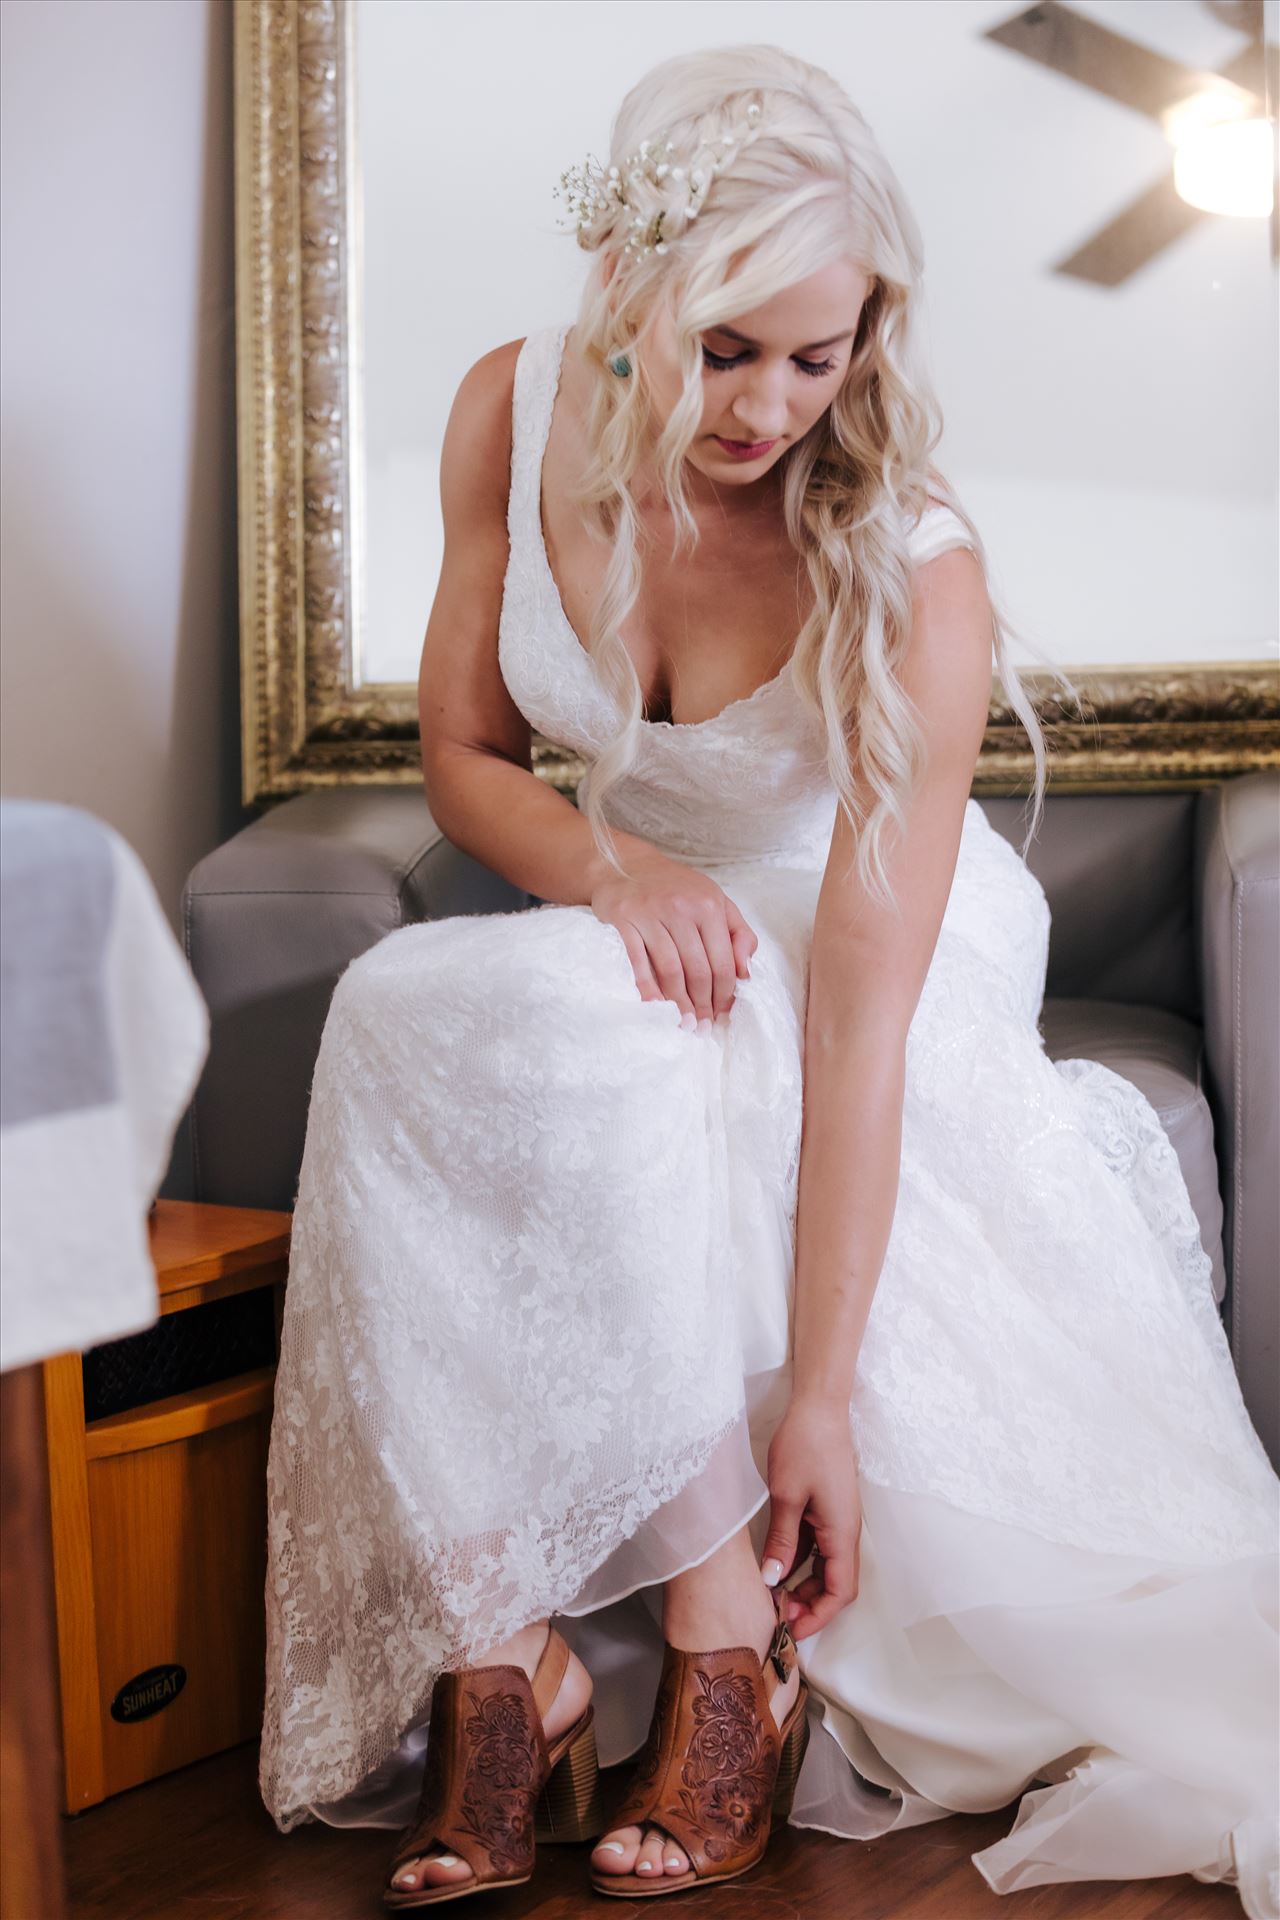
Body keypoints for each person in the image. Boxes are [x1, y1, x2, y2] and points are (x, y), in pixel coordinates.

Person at [257, 43, 1280, 1917]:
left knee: (696, 1059)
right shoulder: (516, 404)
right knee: (400, 1009)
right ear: (632, 291)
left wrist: (817, 1403)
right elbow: (470, 757)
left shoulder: (910, 557)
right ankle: (512, 1653)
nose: (773, 408)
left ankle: (732, 1644)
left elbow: (856, 1019)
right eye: (731, 350)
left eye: (825, 359)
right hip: (649, 896)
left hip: (873, 930)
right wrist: (616, 865)